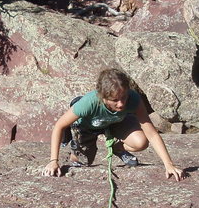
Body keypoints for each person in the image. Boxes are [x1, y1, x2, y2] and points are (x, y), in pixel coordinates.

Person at [42, 68, 186, 181]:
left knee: (141, 142)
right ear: (103, 97)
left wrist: (169, 164)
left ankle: (117, 148)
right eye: (115, 100)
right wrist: (53, 161)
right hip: (88, 126)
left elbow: (152, 134)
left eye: (124, 97)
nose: (121, 103)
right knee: (83, 162)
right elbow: (59, 126)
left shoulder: (133, 99)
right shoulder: (89, 103)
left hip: (116, 122)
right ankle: (76, 153)